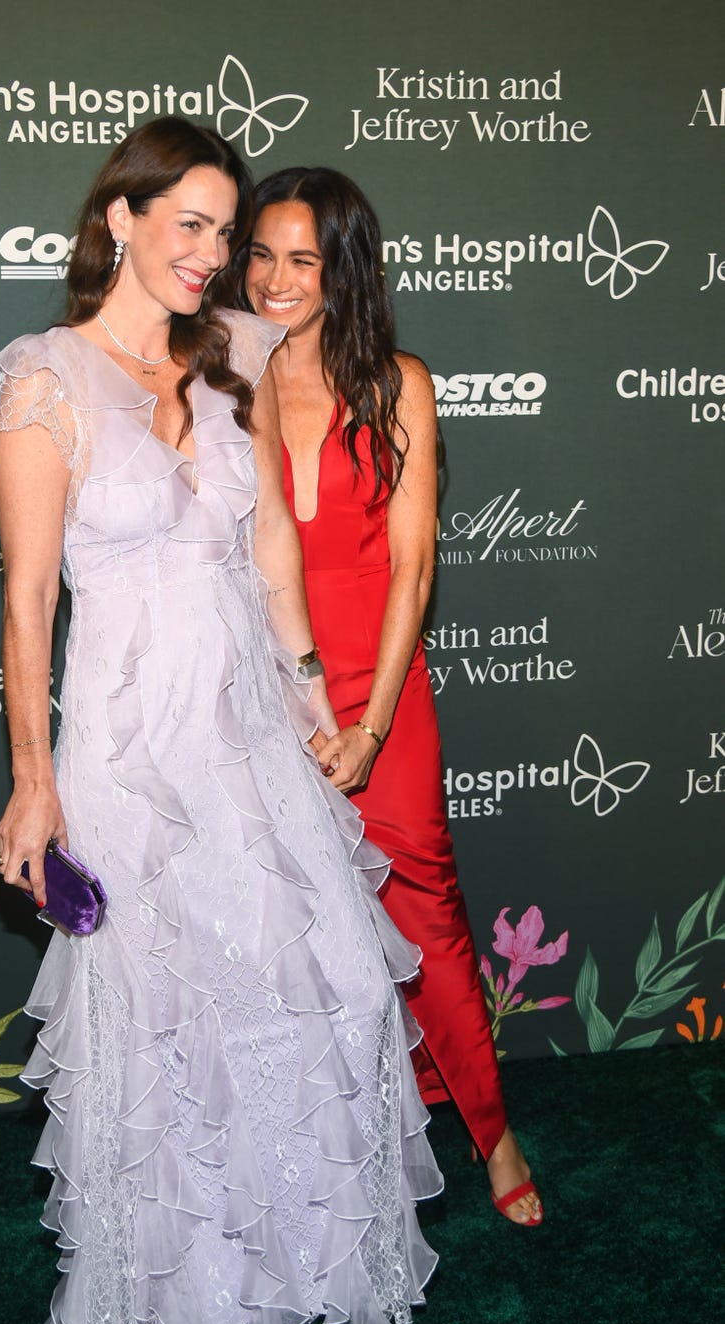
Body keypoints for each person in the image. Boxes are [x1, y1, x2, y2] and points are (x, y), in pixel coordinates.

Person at [0, 121, 442, 1324]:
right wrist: (32, 778)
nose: (211, 254)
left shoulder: (235, 351)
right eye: (188, 223)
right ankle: (191, 1290)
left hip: (245, 730)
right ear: (119, 218)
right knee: (169, 1018)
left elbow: (275, 558)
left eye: (223, 233)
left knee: (315, 982)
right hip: (127, 755)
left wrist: (311, 701)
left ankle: (296, 1254)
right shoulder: (42, 381)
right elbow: (23, 608)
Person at [235, 167, 543, 1227]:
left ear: (343, 269)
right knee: (282, 934)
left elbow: (411, 566)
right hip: (267, 694)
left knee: (427, 917)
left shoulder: (396, 382)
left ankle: (489, 1132)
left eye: (301, 258)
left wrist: (367, 727)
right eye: (260, 254)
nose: (275, 279)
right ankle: (319, 1145)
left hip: (381, 698)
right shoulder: (220, 385)